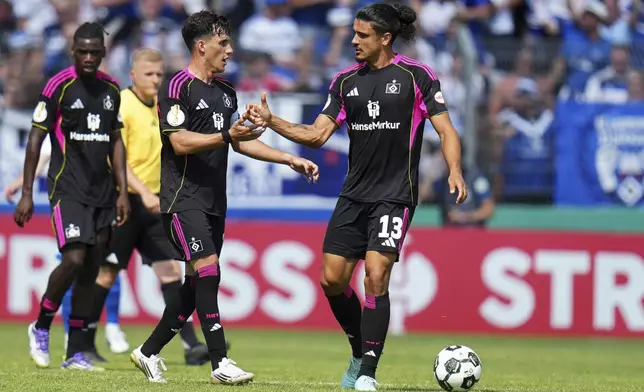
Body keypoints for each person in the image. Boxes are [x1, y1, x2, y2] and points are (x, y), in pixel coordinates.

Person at [247, 3, 467, 391]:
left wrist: (454, 169)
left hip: (396, 195)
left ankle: (367, 373)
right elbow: (316, 135)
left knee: (376, 275)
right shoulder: (345, 82)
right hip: (354, 195)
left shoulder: (417, 76)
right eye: (353, 33)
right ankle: (358, 348)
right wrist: (273, 122)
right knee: (331, 280)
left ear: (385, 38)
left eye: (362, 35)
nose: (353, 40)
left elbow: (447, 131)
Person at [129, 10, 319, 384]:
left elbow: (241, 143)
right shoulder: (176, 87)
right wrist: (228, 137)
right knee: (209, 269)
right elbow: (180, 142)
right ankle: (220, 362)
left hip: (215, 201)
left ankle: (147, 352)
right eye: (223, 43)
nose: (230, 50)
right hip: (182, 199)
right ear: (202, 45)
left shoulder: (227, 93)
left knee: (194, 286)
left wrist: (289, 157)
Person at [81, 48, 210, 366]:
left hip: (155, 204)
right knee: (107, 273)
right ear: (133, 75)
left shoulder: (162, 107)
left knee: (170, 271)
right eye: (149, 75)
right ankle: (83, 341)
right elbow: (115, 158)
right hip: (123, 202)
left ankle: (191, 345)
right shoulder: (122, 104)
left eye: (159, 75)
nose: (155, 80)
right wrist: (142, 192)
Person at [14, 22, 130, 370]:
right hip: (67, 188)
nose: (90, 57)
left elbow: (116, 140)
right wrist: (26, 193)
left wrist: (123, 192)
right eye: (83, 51)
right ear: (74, 52)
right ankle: (41, 325)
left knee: (91, 268)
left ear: (104, 52)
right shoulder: (58, 86)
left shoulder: (112, 89)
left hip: (103, 193)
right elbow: (36, 138)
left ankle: (75, 352)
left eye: (95, 51)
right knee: (74, 259)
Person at [2, 139, 127, 354]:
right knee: (73, 262)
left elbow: (116, 153)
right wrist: (23, 187)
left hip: (103, 198)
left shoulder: (110, 113)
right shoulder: (65, 114)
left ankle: (110, 327)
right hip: (71, 199)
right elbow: (43, 154)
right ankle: (57, 330)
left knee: (105, 265)